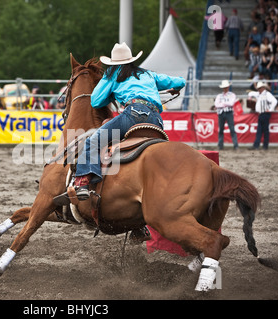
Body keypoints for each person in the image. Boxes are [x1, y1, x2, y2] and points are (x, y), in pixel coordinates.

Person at [55, 42, 185, 203]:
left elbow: (95, 101)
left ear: (113, 62)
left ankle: (82, 183)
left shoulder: (112, 74)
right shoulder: (148, 74)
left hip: (133, 114)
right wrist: (173, 88)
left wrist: (110, 94)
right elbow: (180, 82)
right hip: (156, 119)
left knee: (93, 141)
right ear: (131, 60)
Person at [247, 81, 278, 150]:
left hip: (265, 113)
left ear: (263, 88)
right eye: (258, 88)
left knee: (264, 130)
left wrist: (270, 109)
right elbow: (250, 93)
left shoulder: (267, 94)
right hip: (261, 114)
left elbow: (274, 101)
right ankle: (258, 145)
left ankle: (264, 146)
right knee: (260, 130)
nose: (259, 89)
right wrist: (250, 97)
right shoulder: (259, 94)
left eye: (260, 88)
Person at [214, 80, 239, 150]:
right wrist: (225, 104)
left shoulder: (232, 95)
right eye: (224, 87)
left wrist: (221, 104)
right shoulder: (219, 95)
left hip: (228, 113)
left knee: (232, 129)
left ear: (228, 87)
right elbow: (216, 104)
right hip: (222, 113)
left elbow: (231, 103)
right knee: (221, 129)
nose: (225, 88)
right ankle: (220, 145)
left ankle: (235, 145)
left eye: (226, 87)